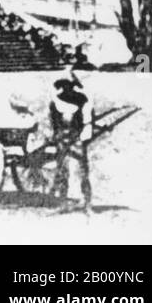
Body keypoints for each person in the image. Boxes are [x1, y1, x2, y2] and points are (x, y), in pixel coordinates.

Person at [48, 68, 93, 211]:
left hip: (76, 136)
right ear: (61, 85)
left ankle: (87, 203)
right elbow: (55, 124)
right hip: (62, 138)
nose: (68, 88)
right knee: (62, 171)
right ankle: (62, 202)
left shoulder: (81, 99)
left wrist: (84, 132)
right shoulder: (55, 102)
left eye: (70, 85)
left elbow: (87, 118)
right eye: (65, 85)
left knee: (83, 170)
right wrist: (58, 136)